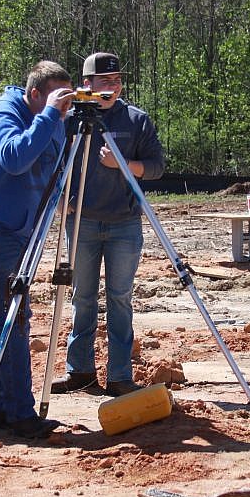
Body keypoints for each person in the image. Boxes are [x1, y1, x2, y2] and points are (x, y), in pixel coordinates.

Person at [0, 61, 74, 438]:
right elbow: (16, 159)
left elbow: (57, 170)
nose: (64, 107)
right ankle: (20, 413)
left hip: (18, 231)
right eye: (57, 98)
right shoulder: (1, 115)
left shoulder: (53, 120)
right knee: (15, 314)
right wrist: (51, 116)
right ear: (35, 94)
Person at [51, 52, 164, 398]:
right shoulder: (69, 120)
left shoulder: (136, 120)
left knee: (119, 299)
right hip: (82, 224)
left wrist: (124, 164)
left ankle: (119, 376)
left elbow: (157, 167)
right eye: (105, 82)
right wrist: (61, 200)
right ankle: (80, 373)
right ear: (87, 85)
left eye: (117, 81)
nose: (112, 88)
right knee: (81, 298)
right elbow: (51, 164)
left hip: (124, 226)